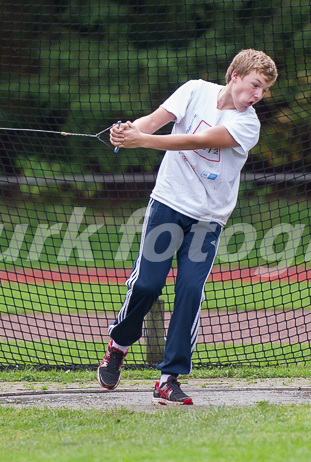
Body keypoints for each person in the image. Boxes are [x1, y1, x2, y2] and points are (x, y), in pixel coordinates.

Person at [97, 49, 278, 405]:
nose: (257, 95)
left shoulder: (248, 124)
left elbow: (197, 141)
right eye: (255, 85)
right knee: (147, 285)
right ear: (235, 75)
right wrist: (127, 132)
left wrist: (143, 141)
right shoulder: (195, 90)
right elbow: (150, 122)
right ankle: (118, 346)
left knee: (190, 291)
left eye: (264, 90)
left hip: (207, 219)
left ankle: (169, 377)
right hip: (168, 203)